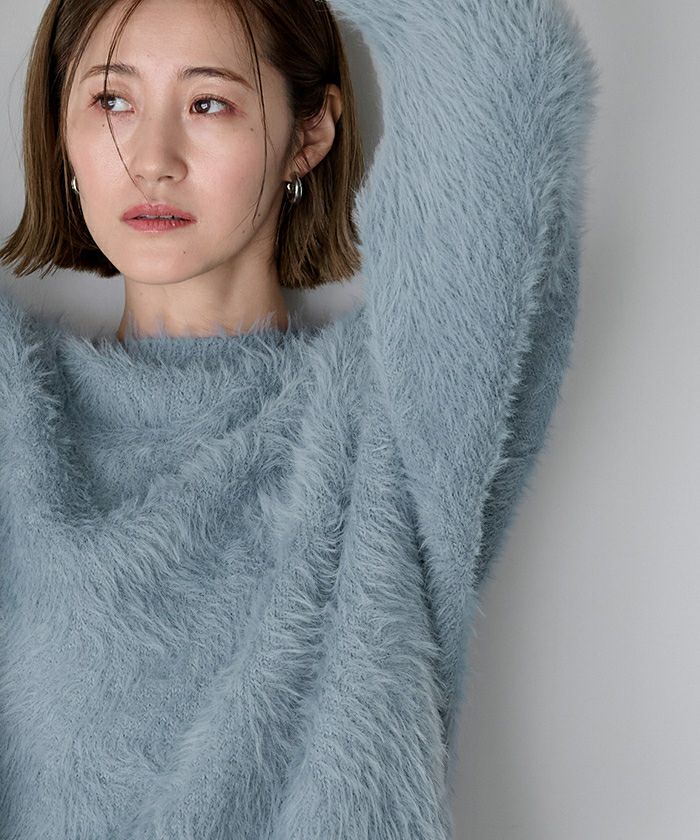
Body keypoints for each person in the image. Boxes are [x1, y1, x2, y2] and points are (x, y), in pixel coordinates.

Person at [0, 0, 599, 836]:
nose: (152, 160)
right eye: (112, 100)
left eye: (209, 102)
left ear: (308, 134)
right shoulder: (18, 416)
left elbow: (501, 57)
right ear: (60, 129)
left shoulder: (390, 414)